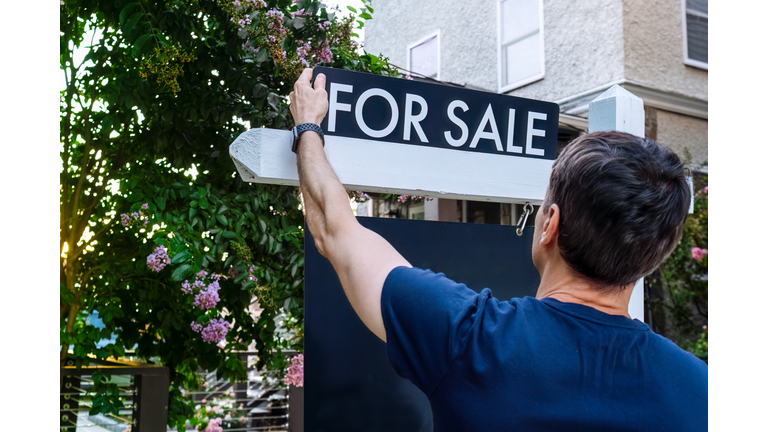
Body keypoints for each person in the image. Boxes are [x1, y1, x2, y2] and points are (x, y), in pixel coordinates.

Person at [289, 68, 707, 431]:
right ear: (657, 251)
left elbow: (334, 227)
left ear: (551, 225)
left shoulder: (468, 339)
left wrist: (308, 128)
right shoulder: (700, 390)